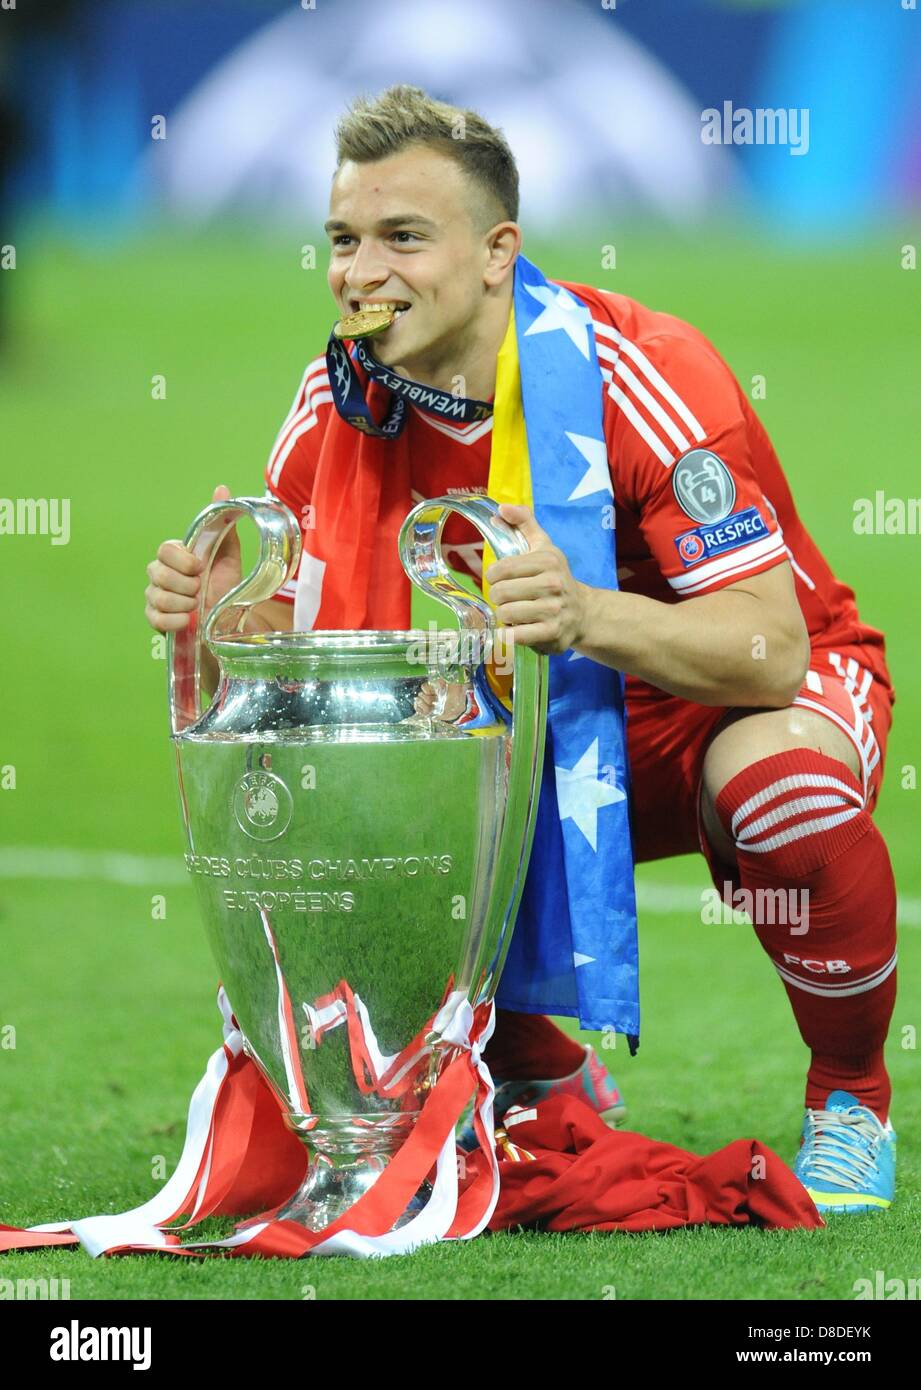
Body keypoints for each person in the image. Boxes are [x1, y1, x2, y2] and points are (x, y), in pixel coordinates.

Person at [145, 86, 898, 1216]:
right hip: (529, 717)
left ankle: (852, 1097)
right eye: (344, 240)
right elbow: (327, 677)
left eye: (405, 238)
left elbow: (771, 647)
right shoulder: (332, 404)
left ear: (500, 253)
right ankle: (532, 1062)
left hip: (729, 699)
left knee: (777, 786)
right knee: (355, 784)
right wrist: (235, 628)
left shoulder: (639, 371)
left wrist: (586, 614)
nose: (362, 272)